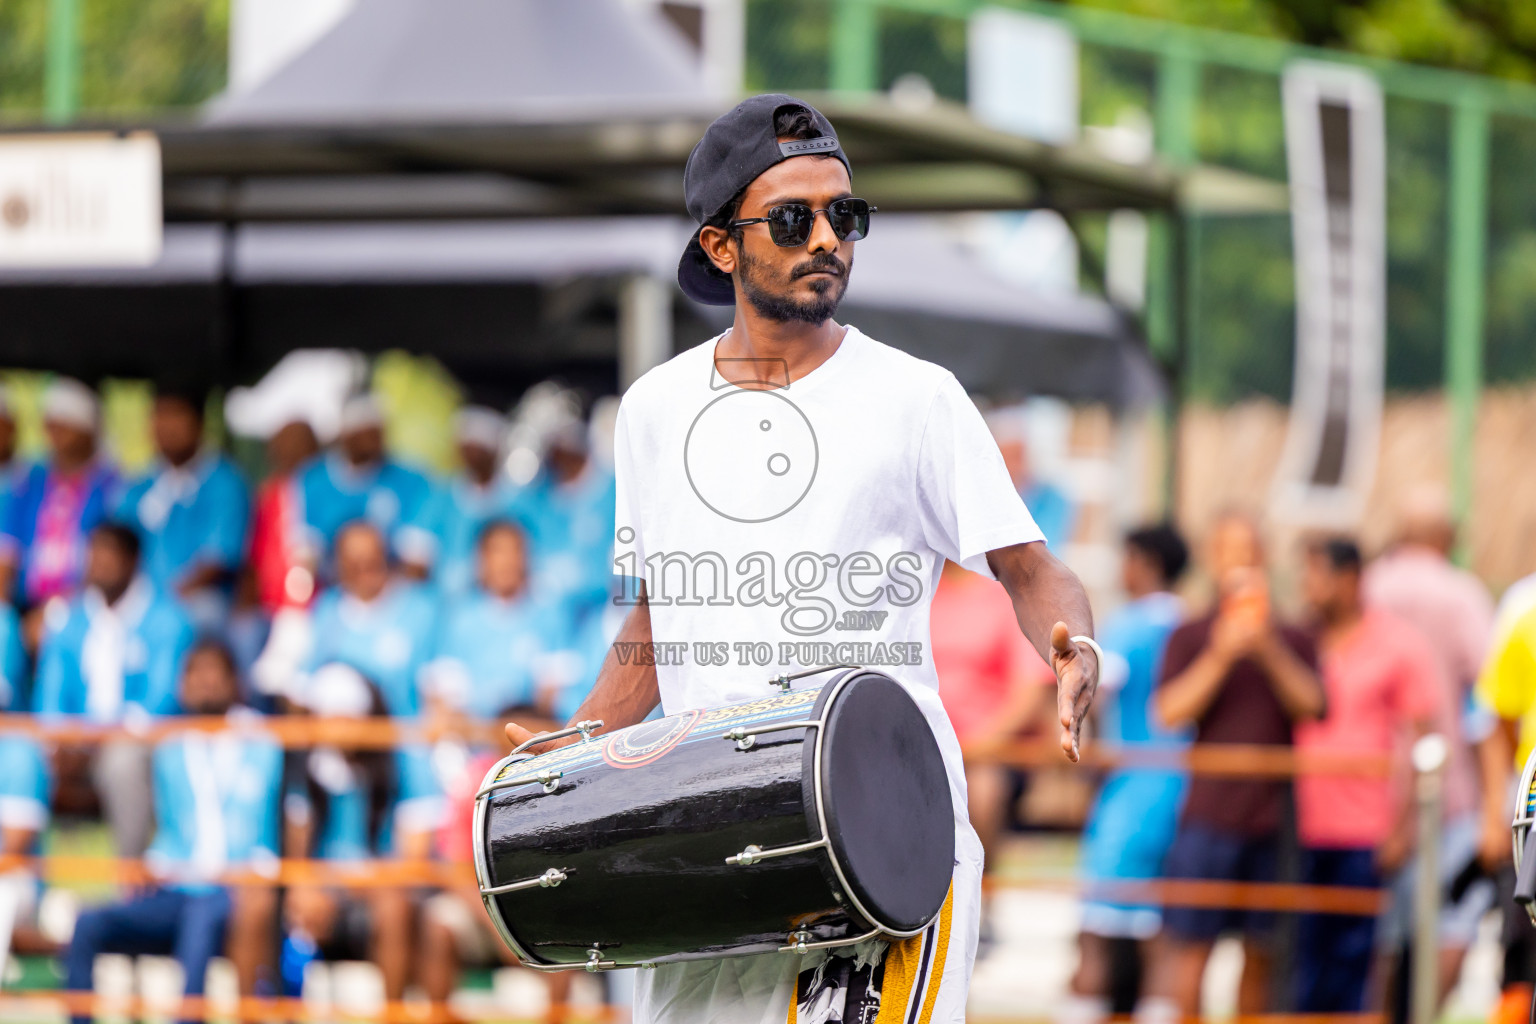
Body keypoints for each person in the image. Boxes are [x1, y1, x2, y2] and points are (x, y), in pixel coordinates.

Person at [504, 94, 1101, 1024]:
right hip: (711, 838)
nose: (827, 237)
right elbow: (660, 615)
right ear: (720, 247)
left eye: (844, 215)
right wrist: (577, 748)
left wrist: (1074, 649)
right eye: (794, 219)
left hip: (883, 833)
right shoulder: (655, 412)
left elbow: (1030, 569)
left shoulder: (917, 398)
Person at [1150, 512, 1323, 1018]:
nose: (1240, 563)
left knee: (1263, 953)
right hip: (1208, 815)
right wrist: (1222, 654)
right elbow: (1168, 712)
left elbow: (1313, 704)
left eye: (1249, 551)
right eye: (1230, 551)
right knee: (1190, 950)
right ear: (1212, 558)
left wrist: (1266, 646)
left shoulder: (1293, 637)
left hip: (1274, 819)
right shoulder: (1189, 633)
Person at [62, 639, 283, 1024]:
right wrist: (150, 864)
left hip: (234, 884)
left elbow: (274, 824)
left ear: (235, 682)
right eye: (195, 674)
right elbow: (169, 827)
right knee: (88, 923)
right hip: (176, 885)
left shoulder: (263, 742)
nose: (205, 683)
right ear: (182, 685)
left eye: (215, 672)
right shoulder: (169, 748)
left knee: (199, 924)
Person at [1294, 536, 1440, 1013]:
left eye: (1318, 573)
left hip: (1366, 832)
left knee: (1360, 964)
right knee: (1303, 966)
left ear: (1351, 577)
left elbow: (1423, 739)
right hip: (1302, 828)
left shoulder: (1397, 643)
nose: (1308, 586)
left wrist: (1403, 827)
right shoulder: (1299, 640)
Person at [1362, 489, 1496, 1005]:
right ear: (1449, 537)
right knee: (1451, 922)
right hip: (1449, 788)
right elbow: (1488, 700)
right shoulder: (1462, 594)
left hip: (1372, 789)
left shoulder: (1367, 586)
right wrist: (1491, 805)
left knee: (1380, 933)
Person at [1065, 524, 1189, 1024]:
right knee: (1162, 940)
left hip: (1131, 793)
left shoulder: (1130, 625)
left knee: (1093, 937)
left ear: (1144, 562)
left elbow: (1096, 689)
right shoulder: (1189, 623)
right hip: (1182, 789)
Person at [281, 663, 441, 1004]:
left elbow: (410, 864)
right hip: (330, 892)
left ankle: (391, 1012)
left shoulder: (404, 761)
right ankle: (290, 1009)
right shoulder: (308, 764)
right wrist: (308, 889)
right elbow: (298, 854)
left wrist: (346, 886)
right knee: (294, 907)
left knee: (393, 908)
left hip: (383, 891)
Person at [34, 523, 195, 857]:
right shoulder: (69, 618)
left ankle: (130, 880)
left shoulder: (169, 619)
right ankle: (24, 884)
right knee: (23, 758)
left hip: (137, 741)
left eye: (109, 555)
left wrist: (102, 740)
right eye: (93, 554)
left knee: (122, 763)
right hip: (76, 744)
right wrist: (61, 740)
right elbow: (50, 692)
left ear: (133, 560)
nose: (99, 563)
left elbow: (161, 700)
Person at [930, 559, 1055, 910]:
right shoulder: (914, 594)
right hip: (921, 740)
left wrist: (975, 745)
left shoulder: (1002, 600)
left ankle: (976, 901)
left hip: (985, 750)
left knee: (983, 792)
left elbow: (1028, 692)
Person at [115, 385, 252, 630]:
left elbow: (216, 561)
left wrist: (162, 605)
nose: (167, 426)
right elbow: (118, 546)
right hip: (139, 602)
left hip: (197, 600)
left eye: (176, 414)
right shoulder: (139, 486)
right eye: (159, 415)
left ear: (199, 423)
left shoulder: (225, 482)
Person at [423, 519, 566, 722]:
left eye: (515, 551)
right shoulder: (459, 620)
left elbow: (552, 694)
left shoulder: (548, 616)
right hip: (475, 739)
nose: (507, 561)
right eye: (497, 552)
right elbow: (444, 697)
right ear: (480, 559)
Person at [0, 378, 118, 622]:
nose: (54, 433)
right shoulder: (30, 480)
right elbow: (7, 551)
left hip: (86, 603)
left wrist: (57, 609)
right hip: (25, 604)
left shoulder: (111, 485)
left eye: (64, 425)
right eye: (50, 425)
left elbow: (109, 560)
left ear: (88, 430)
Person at [298, 520, 438, 718]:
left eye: (371, 560)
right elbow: (306, 682)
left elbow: (436, 689)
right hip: (339, 737)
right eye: (353, 562)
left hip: (401, 738)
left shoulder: (421, 610)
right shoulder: (326, 608)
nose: (363, 568)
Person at [294, 394, 437, 577]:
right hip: (334, 591)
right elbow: (306, 559)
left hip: (393, 591)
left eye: (378, 431)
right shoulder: (313, 482)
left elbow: (417, 560)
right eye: (366, 432)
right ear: (346, 435)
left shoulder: (410, 481)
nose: (375, 441)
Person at [517, 407, 615, 623]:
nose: (557, 448)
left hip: (601, 618)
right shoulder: (538, 495)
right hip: (545, 620)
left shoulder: (614, 491)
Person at [427, 406, 527, 598]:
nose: (472, 456)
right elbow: (417, 559)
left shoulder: (521, 500)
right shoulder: (439, 497)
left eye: (480, 448)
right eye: (468, 447)